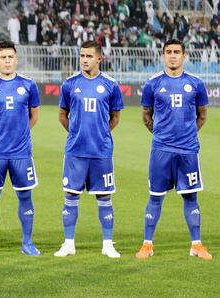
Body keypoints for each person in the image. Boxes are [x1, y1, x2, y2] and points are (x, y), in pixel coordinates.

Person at [137, 39, 211, 260]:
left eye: (177, 52)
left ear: (184, 56)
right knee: (155, 197)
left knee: (190, 197)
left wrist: (187, 135)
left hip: (188, 150)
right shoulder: (153, 83)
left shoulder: (196, 83)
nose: (172, 56)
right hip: (161, 150)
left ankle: (196, 245)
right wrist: (162, 136)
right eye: (168, 52)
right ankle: (147, 244)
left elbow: (202, 115)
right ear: (163, 55)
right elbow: (146, 116)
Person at [53, 41, 123, 258]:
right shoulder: (70, 84)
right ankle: (69, 243)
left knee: (104, 197)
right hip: (75, 150)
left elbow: (115, 117)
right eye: (82, 55)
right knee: (70, 195)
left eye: (89, 56)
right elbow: (62, 115)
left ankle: (108, 244)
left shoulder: (111, 85)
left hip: (101, 151)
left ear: (99, 58)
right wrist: (75, 132)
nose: (84, 59)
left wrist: (101, 133)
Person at [0, 41, 41, 256]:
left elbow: (34, 117)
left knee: (25, 197)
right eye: (3, 57)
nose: (7, 61)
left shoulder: (29, 85)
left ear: (16, 59)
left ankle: (27, 243)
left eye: (10, 57)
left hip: (21, 153)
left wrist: (19, 135)